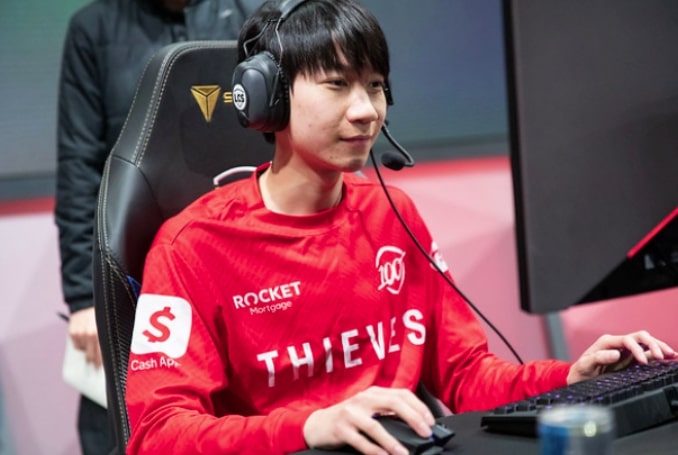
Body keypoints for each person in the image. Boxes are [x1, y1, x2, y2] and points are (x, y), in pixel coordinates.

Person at [124, 1, 677, 454]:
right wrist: (311, 426)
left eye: (375, 85)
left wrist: (571, 379)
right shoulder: (191, 247)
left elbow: (465, 375)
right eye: (337, 84)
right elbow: (156, 436)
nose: (366, 110)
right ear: (268, 98)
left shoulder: (394, 215)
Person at [54, 1, 264, 453]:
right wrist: (84, 299)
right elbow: (79, 169)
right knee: (128, 425)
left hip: (236, 266)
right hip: (136, 272)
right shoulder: (94, 28)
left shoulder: (255, 16)